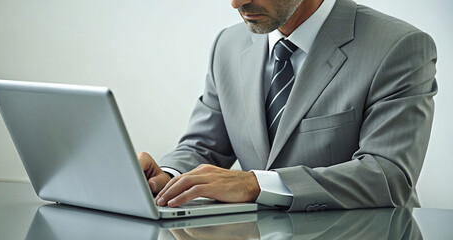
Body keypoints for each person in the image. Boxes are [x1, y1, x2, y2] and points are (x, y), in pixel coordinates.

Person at [139, 0, 438, 212]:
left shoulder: (398, 47)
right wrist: (168, 177)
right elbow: (203, 145)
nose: (235, 3)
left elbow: (388, 176)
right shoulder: (227, 46)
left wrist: (256, 184)